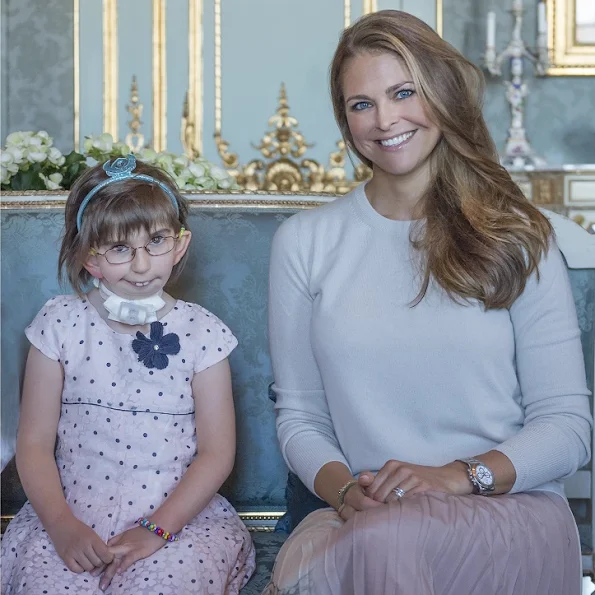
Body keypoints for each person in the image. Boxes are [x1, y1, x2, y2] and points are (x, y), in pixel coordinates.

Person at [266, 10, 591, 595]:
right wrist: (345, 492)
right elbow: (301, 417)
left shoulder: (519, 236)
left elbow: (567, 427)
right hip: (367, 518)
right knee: (381, 542)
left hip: (507, 511)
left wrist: (454, 478)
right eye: (361, 104)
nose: (385, 119)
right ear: (346, 120)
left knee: (383, 547)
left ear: (439, 93)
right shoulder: (304, 243)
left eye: (403, 92)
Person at [1, 155, 255, 594]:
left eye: (156, 241)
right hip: (72, 515)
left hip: (175, 520)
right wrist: (61, 526)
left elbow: (216, 453)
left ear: (179, 246)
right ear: (88, 256)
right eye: (120, 248)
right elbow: (34, 444)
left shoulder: (202, 333)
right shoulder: (59, 325)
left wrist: (157, 530)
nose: (141, 265)